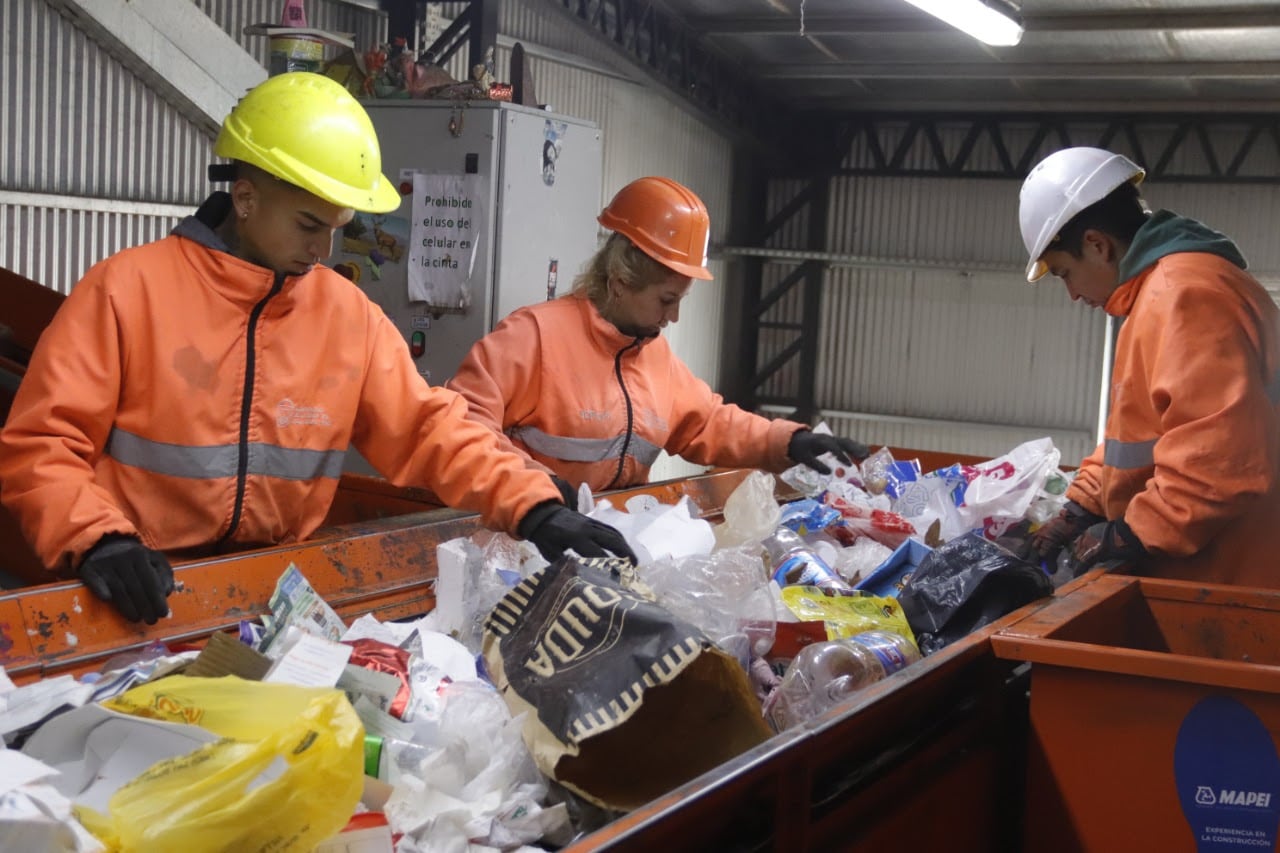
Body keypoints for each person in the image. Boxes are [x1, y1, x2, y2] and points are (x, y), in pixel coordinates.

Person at [0, 72, 633, 625]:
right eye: (308, 225)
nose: (323, 251)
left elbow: (427, 429)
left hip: (276, 596)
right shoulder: (126, 291)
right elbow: (41, 445)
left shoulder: (344, 313)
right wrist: (98, 538)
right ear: (245, 198)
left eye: (336, 229)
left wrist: (532, 506)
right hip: (141, 597)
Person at [446, 175, 872, 504]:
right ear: (619, 281)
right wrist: (537, 494)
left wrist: (788, 442)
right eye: (667, 299)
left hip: (604, 536)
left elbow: (707, 422)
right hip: (523, 536)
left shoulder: (653, 357)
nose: (674, 316)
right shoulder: (532, 337)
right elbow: (465, 426)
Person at [1020, 146, 1280, 586]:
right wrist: (1081, 506)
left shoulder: (1182, 296)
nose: (1073, 296)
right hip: (1213, 568)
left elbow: (1217, 465)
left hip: (1231, 577)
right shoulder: (1161, 295)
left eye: (1064, 273)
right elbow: (1140, 435)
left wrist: (1127, 534)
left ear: (1098, 246)